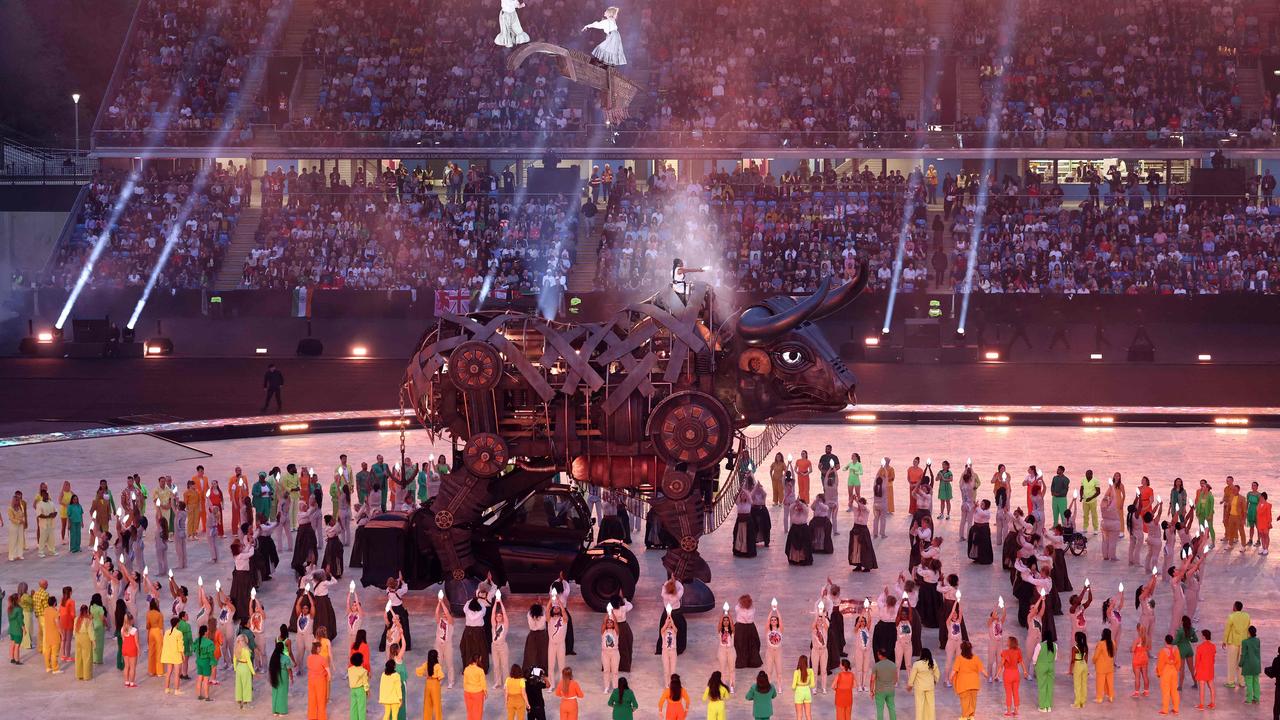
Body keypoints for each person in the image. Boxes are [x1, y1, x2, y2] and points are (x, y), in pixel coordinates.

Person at [949, 641, 986, 720]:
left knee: (965, 701)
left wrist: (950, 678)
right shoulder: (975, 658)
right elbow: (983, 670)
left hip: (964, 684)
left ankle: (965, 717)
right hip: (974, 684)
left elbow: (954, 671)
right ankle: (971, 716)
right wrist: (988, 676)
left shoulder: (959, 659)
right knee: (973, 701)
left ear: (962, 649)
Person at [1224, 600, 1250, 689]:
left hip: (1233, 642)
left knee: (1231, 663)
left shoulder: (1231, 616)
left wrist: (1224, 641)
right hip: (1243, 642)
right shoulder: (1247, 616)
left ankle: (1231, 682)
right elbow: (1248, 628)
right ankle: (1242, 682)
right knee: (1241, 663)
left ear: (1235, 607)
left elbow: (1227, 629)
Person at [907, 648, 939, 720]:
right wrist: (934, 681)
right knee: (931, 705)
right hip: (930, 687)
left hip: (919, 688)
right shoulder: (933, 662)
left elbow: (912, 676)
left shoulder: (917, 664)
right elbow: (937, 674)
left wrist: (910, 685)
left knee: (919, 706)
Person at [999, 636, 1025, 715]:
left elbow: (1001, 665)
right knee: (1016, 692)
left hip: (1007, 674)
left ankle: (1009, 711)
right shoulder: (1018, 651)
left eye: (1008, 641)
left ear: (1010, 643)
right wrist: (1025, 671)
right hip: (1016, 674)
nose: (1006, 642)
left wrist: (997, 674)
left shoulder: (1005, 652)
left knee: (1008, 693)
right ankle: (1016, 710)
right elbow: (1022, 662)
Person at [1156, 634, 1181, 715]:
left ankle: (1165, 710)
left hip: (1166, 671)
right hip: (1173, 670)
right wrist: (1176, 669)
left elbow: (1160, 663)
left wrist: (1159, 673)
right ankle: (1176, 709)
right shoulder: (1176, 649)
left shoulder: (1163, 651)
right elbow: (1178, 661)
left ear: (1165, 640)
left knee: (1166, 691)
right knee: (1174, 690)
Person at [871, 649, 897, 720]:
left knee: (880, 710)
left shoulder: (876, 666)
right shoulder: (893, 665)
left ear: (880, 655)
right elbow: (895, 680)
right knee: (892, 708)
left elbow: (872, 680)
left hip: (880, 691)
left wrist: (871, 690)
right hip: (890, 690)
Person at [270, 636, 294, 714]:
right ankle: (282, 711)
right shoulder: (285, 658)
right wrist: (291, 678)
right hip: (283, 676)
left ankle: (275, 710)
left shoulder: (273, 657)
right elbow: (289, 669)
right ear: (282, 649)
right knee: (282, 693)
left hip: (274, 675)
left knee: (275, 692)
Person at [308, 641, 331, 719]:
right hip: (320, 681)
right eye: (320, 647)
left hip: (311, 681)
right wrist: (329, 679)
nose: (321, 648)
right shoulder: (322, 659)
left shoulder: (309, 657)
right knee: (321, 700)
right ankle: (321, 717)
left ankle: (312, 717)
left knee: (312, 699)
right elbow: (328, 672)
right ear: (317, 648)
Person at [1194, 629, 1216, 709]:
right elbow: (1213, 659)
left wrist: (1195, 670)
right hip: (1210, 669)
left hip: (1201, 669)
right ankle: (1213, 703)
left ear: (1203, 636)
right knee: (1211, 686)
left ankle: (1201, 705)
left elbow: (1197, 660)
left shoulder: (1200, 647)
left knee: (1202, 687)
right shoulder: (1213, 646)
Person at [1094, 627, 1116, 703]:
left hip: (1101, 667)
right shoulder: (1113, 642)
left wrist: (1094, 661)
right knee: (1110, 682)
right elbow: (1114, 653)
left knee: (1100, 683)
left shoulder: (1101, 643)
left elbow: (1096, 655)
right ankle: (1111, 696)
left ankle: (1099, 698)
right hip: (1110, 667)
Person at [1033, 639, 1056, 711]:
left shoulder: (1039, 645)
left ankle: (1042, 706)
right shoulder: (1055, 645)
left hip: (1041, 666)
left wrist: (1035, 666)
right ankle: (1048, 706)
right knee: (1049, 686)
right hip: (1051, 666)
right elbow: (1055, 658)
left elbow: (1034, 658)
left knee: (1042, 686)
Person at [1242, 626, 1262, 706]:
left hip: (1248, 665)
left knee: (1249, 682)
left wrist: (1240, 663)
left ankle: (1249, 700)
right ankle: (1256, 699)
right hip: (1256, 664)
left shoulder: (1245, 642)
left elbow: (1243, 654)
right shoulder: (1258, 640)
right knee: (1256, 682)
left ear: (1249, 632)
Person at [463, 656, 487, 720]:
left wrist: (466, 690)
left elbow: (464, 682)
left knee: (470, 712)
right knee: (478, 713)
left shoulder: (466, 669)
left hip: (467, 693)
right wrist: (485, 691)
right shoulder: (480, 670)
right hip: (477, 693)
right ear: (477, 660)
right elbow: (483, 682)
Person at [235, 633, 255, 708]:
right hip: (245, 667)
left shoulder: (236, 649)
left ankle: (239, 701)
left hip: (239, 667)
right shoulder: (246, 650)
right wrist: (253, 671)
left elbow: (234, 659)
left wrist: (235, 668)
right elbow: (249, 662)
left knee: (239, 685)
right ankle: (246, 703)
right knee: (246, 685)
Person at [349, 652, 371, 720]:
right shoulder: (363, 671)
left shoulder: (350, 669)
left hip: (352, 690)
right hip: (360, 690)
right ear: (361, 661)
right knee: (361, 708)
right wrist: (367, 691)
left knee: (353, 707)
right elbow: (365, 683)